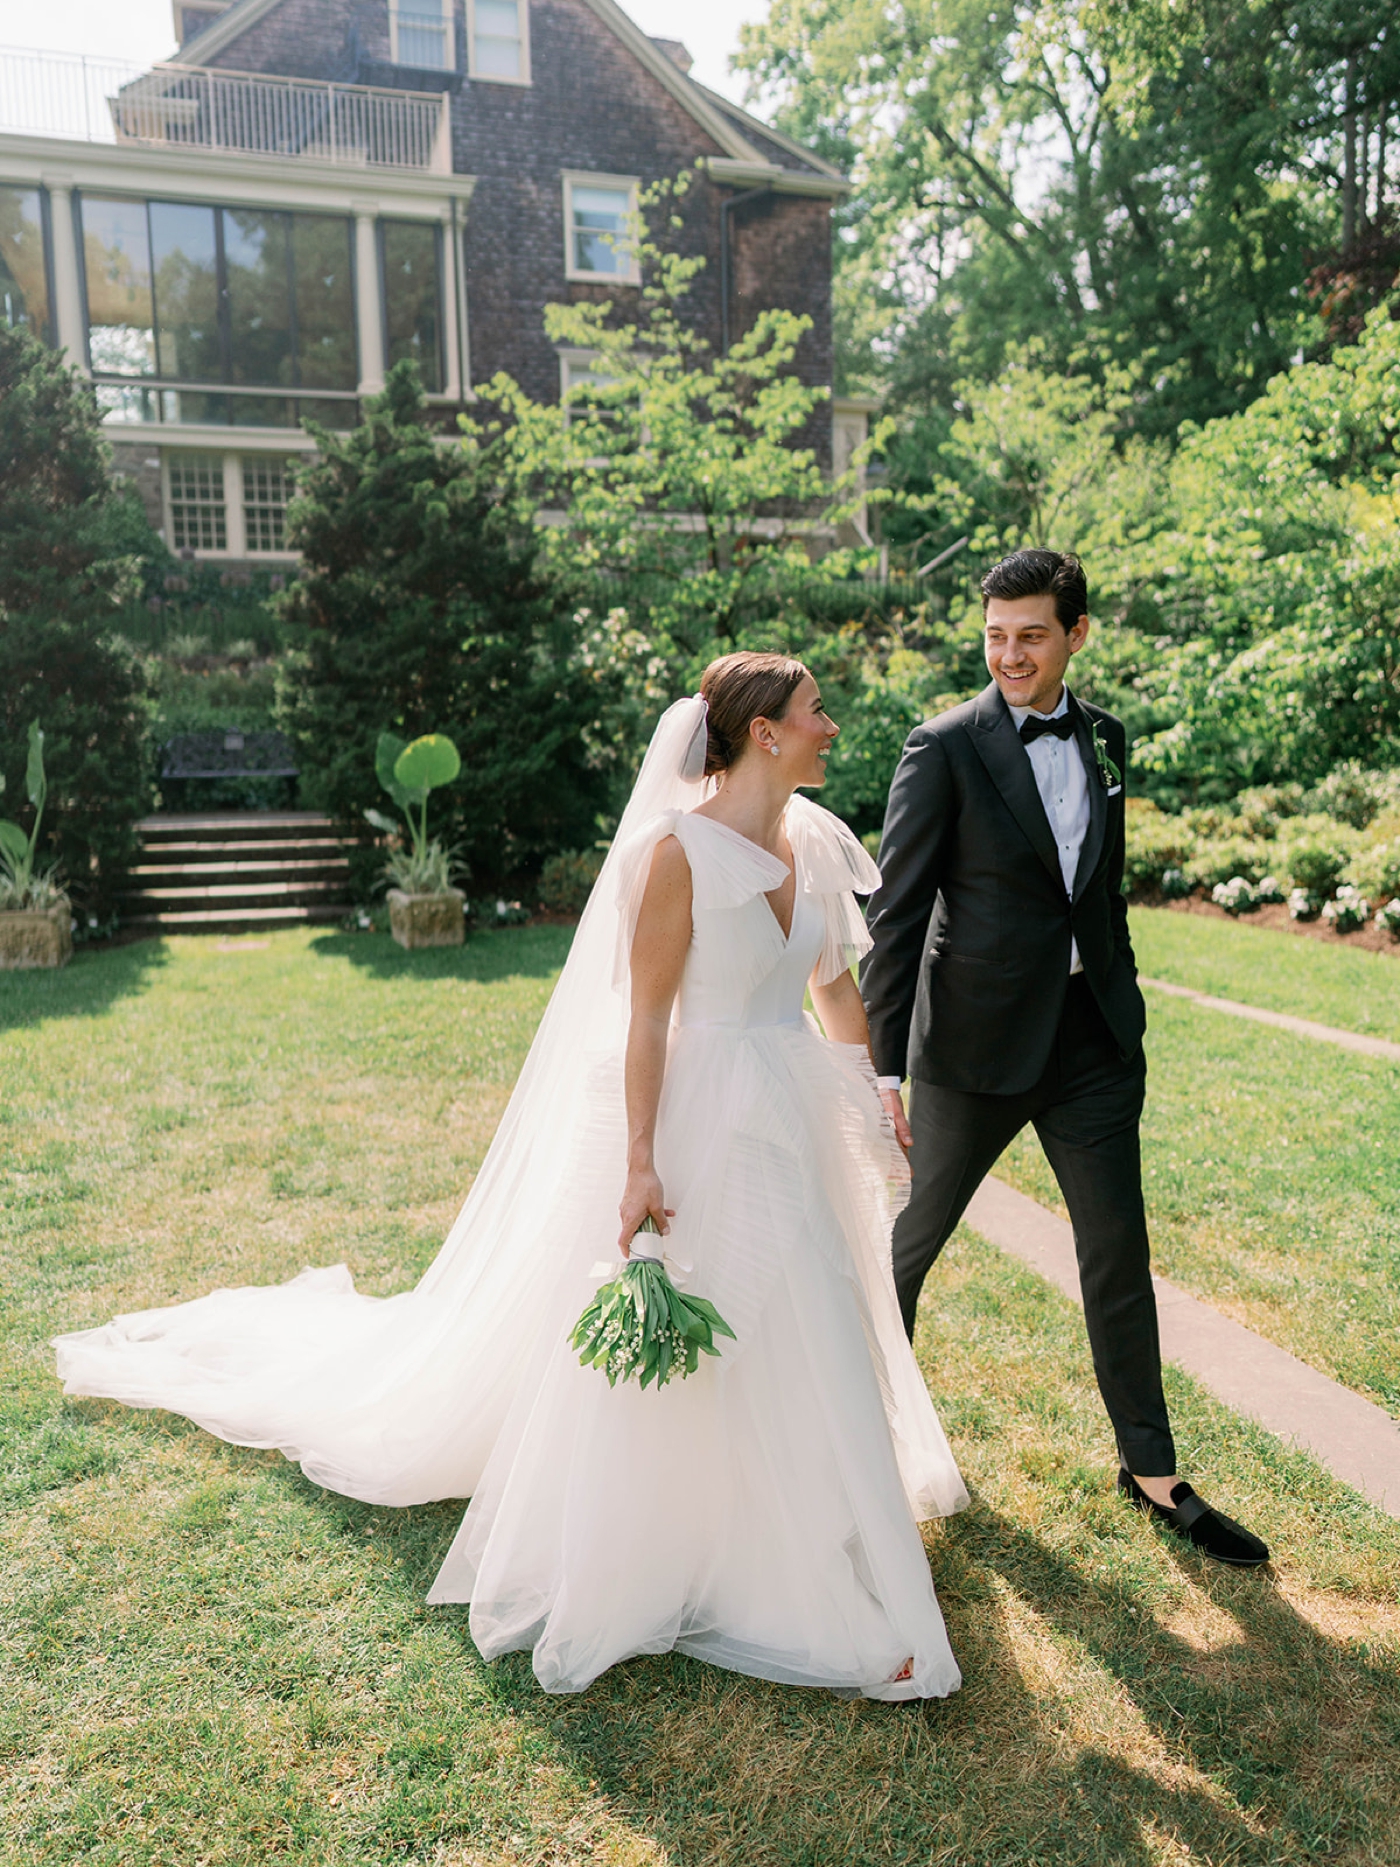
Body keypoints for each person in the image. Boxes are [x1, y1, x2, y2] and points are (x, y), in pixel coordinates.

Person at [55, 653, 968, 1700]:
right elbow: (647, 1018)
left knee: (806, 1303)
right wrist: (638, 1158)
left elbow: (833, 985)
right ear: (764, 732)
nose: (831, 726)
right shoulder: (673, 855)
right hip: (699, 1112)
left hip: (788, 1108)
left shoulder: (809, 838)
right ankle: (706, 1544)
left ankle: (822, 1515)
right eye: (816, 711)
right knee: (705, 1326)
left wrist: (870, 1085)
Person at [861, 549, 1269, 1567]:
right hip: (968, 1050)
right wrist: (880, 1067)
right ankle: (858, 1455)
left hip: (1091, 1044)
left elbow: (1097, 886)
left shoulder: (1105, 737)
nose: (1009, 654)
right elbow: (896, 913)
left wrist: (1120, 1003)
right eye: (995, 635)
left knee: (1115, 1257)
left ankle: (1149, 1471)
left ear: (1074, 634)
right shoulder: (942, 746)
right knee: (897, 1256)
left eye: (1030, 635)